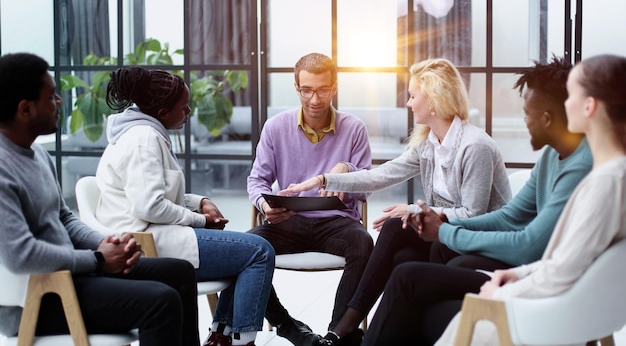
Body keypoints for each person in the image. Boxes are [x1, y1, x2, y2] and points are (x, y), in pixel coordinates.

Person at [359, 56, 595, 346]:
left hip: (540, 280)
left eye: (526, 113)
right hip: (530, 267)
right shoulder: (551, 155)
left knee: (410, 279)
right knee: (420, 270)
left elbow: (529, 246)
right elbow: (509, 216)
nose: (524, 121)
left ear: (547, 118)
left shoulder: (580, 168)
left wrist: (446, 231)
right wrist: (446, 222)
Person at [279, 58, 511, 346]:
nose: (409, 103)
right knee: (397, 247)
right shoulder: (430, 145)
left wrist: (414, 210)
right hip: (447, 238)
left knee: (395, 232)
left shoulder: (474, 146)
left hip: (480, 240)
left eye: (414, 96)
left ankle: (343, 331)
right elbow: (381, 175)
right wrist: (324, 180)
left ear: (435, 99)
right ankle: (346, 331)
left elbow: (473, 213)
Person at [0, 52, 200, 346]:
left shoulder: (37, 153)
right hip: (37, 296)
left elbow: (64, 218)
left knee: (179, 272)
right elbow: (22, 256)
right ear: (25, 108)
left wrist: (104, 244)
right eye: (51, 96)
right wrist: (97, 260)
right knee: (162, 302)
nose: (59, 102)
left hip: (70, 273)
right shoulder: (3, 168)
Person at [433, 54, 626, 345]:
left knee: (425, 307)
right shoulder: (610, 174)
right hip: (554, 305)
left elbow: (560, 272)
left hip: (537, 317)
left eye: (571, 94)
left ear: (589, 106)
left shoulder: (607, 182)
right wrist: (518, 274)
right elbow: (569, 260)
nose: (565, 102)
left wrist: (501, 293)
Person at [95, 66, 275, 346]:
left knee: (246, 249)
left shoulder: (143, 132)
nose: (189, 112)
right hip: (147, 239)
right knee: (259, 251)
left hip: (157, 230)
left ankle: (222, 337)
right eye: (184, 107)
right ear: (163, 112)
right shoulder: (143, 139)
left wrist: (199, 202)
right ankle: (239, 341)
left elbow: (158, 190)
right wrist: (201, 220)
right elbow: (150, 206)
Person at [247, 52, 374, 346]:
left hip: (338, 225)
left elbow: (366, 188)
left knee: (364, 244)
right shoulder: (275, 127)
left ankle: (337, 335)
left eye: (322, 89)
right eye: (307, 90)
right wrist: (265, 205)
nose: (315, 99)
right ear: (296, 88)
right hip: (289, 223)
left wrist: (347, 171)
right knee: (245, 249)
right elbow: (257, 180)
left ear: (334, 87)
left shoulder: (354, 128)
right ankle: (286, 325)